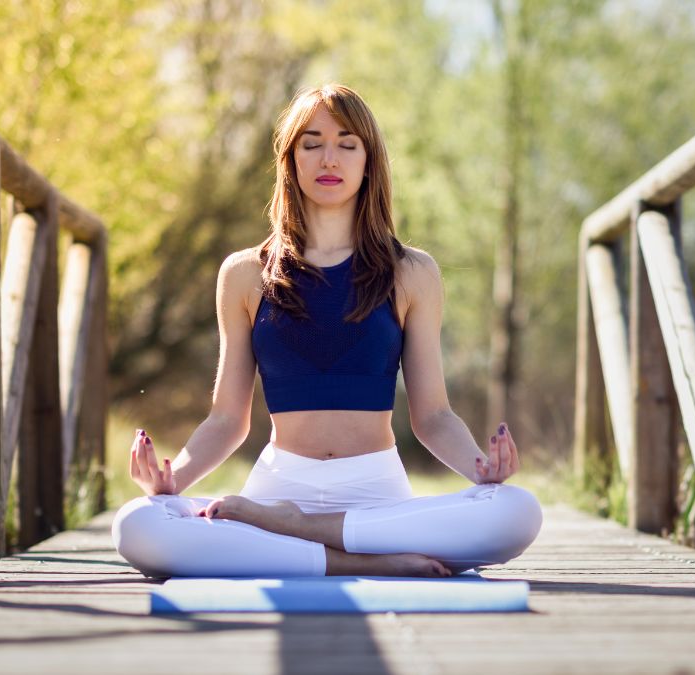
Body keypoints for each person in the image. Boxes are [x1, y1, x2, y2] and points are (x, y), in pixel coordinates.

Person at [112, 84, 542, 578]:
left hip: (374, 493)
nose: (328, 158)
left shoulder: (412, 272)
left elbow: (434, 415)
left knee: (517, 511)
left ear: (368, 160)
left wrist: (480, 470)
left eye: (346, 143)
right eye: (311, 143)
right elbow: (228, 418)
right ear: (290, 160)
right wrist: (173, 482)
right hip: (278, 487)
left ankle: (304, 537)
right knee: (137, 525)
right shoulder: (244, 274)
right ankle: (350, 560)